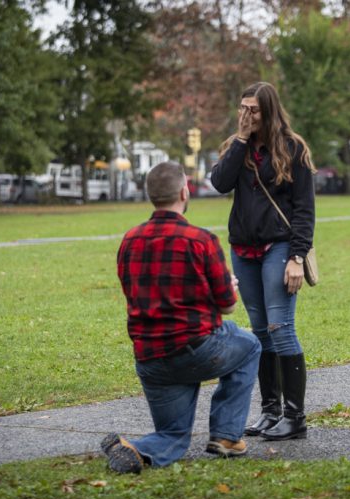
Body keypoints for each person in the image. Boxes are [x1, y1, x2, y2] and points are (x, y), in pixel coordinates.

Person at [102, 162, 261, 474]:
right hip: (198, 348)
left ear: (151, 196)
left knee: (172, 437)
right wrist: (228, 286)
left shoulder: (129, 241)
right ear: (184, 192)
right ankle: (226, 436)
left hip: (150, 357)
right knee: (251, 345)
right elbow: (227, 306)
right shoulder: (200, 240)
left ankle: (131, 448)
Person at [211, 82, 316, 441]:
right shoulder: (236, 147)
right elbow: (220, 183)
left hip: (280, 248)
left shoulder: (293, 148)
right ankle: (270, 411)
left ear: (269, 110)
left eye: (253, 110)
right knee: (259, 331)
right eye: (242, 108)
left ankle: (295, 417)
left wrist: (297, 257)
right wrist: (239, 140)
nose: (246, 115)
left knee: (280, 328)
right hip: (243, 250)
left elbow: (304, 209)